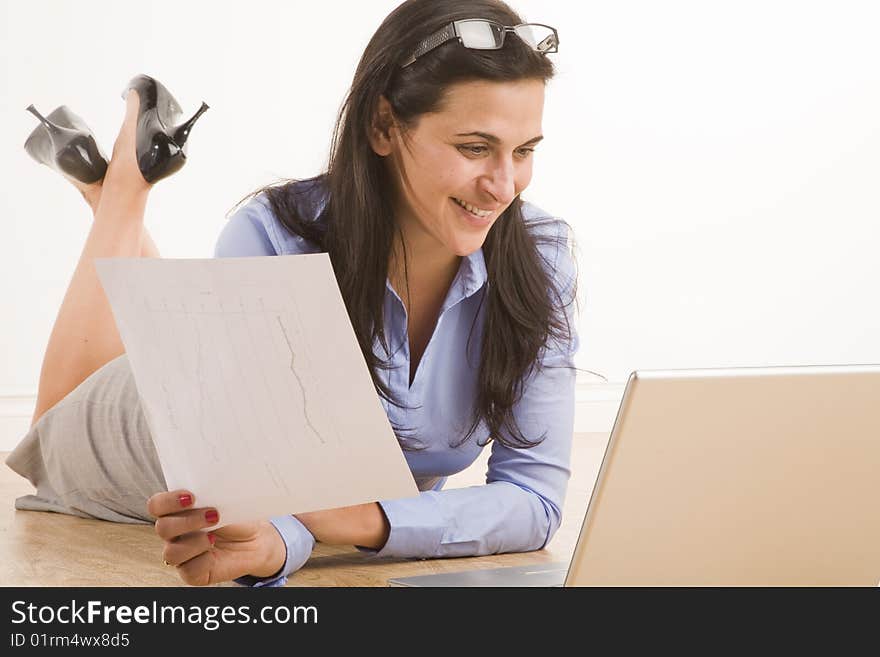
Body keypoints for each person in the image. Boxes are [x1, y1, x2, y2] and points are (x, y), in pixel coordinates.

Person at [8, 0, 578, 587]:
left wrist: (363, 521)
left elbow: (535, 499)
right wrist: (297, 535)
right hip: (157, 422)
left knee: (184, 320)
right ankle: (124, 188)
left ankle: (107, 193)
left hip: (226, 377)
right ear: (382, 127)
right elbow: (262, 485)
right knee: (45, 438)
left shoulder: (541, 257)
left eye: (525, 150)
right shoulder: (272, 237)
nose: (504, 185)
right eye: (474, 148)